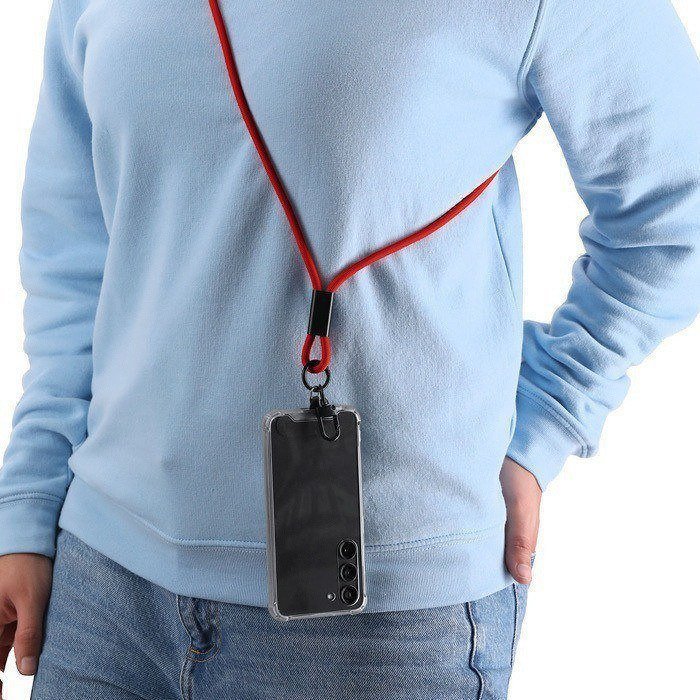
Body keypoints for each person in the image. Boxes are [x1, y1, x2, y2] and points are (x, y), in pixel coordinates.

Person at [0, 0, 698, 698]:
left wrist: (549, 415)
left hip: (385, 619)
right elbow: (73, 257)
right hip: (101, 587)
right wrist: (29, 499)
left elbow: (678, 213)